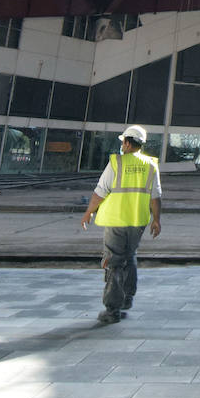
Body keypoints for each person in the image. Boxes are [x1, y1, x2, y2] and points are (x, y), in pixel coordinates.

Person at [80, 126, 161, 323]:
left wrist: (88, 211)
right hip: (138, 222)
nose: (122, 146)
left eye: (123, 142)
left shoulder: (116, 163)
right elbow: (156, 197)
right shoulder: (151, 165)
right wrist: (157, 220)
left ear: (127, 142)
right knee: (130, 256)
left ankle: (112, 310)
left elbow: (100, 191)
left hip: (116, 221)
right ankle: (127, 299)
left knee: (114, 263)